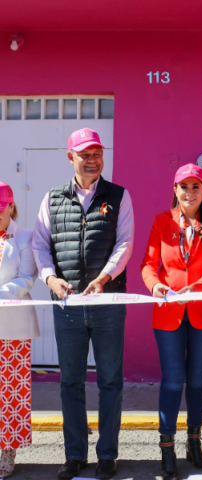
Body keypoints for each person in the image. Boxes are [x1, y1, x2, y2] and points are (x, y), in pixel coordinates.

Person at [32, 128, 134, 480]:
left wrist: (103, 278)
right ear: (70, 157)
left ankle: (107, 455)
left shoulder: (119, 196)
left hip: (107, 303)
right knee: (70, 383)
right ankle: (74, 455)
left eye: (97, 153)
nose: (92, 160)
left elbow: (124, 244)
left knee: (110, 382)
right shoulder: (51, 198)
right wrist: (49, 278)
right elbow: (40, 245)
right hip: (68, 307)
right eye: (84, 154)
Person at [141, 163, 202, 480]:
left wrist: (196, 288)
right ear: (174, 190)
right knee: (173, 380)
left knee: (199, 380)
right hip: (168, 313)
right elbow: (148, 265)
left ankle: (194, 443)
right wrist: (156, 286)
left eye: (196, 186)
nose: (190, 192)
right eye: (184, 186)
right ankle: (167, 449)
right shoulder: (161, 222)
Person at [0, 182, 40, 478]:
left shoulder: (25, 236)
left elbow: (27, 277)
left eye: (0, 209)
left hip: (12, 325)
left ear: (11, 206)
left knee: (11, 391)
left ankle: (8, 450)